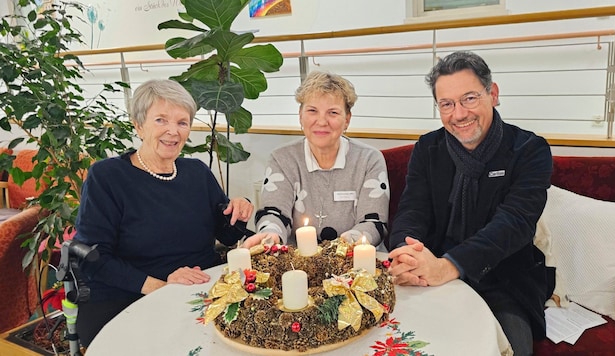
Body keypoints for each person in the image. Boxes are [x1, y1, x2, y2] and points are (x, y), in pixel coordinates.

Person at [387, 51, 554, 355]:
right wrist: (408, 255)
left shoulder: (529, 150)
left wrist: (449, 266)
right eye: (447, 104)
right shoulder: (428, 148)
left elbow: (514, 224)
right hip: (430, 275)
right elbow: (411, 210)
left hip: (504, 284)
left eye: (469, 99)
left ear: (493, 94)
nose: (459, 114)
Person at [73, 79, 254, 347]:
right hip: (128, 294)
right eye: (161, 120)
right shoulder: (108, 176)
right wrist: (162, 287)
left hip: (198, 288)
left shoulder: (196, 172)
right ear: (138, 125)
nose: (173, 131)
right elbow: (91, 257)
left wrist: (241, 212)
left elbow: (227, 234)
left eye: (182, 122)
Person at [243, 71, 389, 249]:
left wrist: (344, 245)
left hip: (355, 261)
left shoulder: (369, 159)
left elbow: (374, 221)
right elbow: (274, 213)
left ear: (347, 120)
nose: (321, 121)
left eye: (333, 112)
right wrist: (271, 235)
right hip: (298, 264)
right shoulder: (282, 158)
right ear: (300, 115)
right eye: (312, 110)